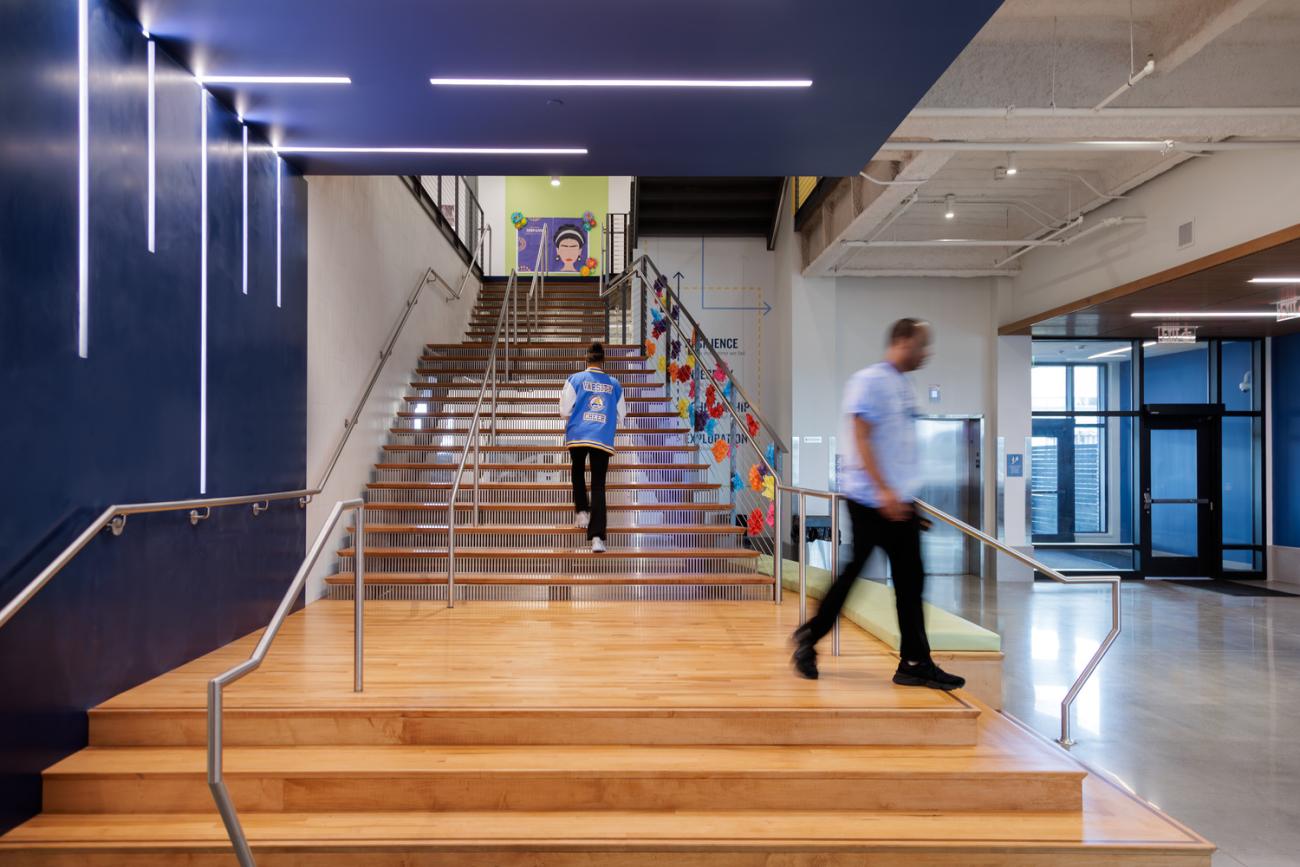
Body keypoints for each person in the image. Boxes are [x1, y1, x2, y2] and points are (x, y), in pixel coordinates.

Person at [791, 318, 966, 691]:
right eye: (921, 344)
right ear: (902, 341)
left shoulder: (902, 385)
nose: (926, 353)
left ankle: (912, 661)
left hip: (896, 502)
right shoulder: (870, 381)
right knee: (872, 576)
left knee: (907, 580)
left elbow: (896, 449)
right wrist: (885, 491)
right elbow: (862, 437)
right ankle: (815, 636)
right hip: (873, 501)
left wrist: (906, 499)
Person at [559, 342, 627, 553]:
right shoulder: (614, 384)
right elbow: (622, 415)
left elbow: (564, 410)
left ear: (586, 359)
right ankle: (597, 538)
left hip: (578, 433)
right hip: (601, 436)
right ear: (603, 361)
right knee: (598, 485)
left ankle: (581, 512)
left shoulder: (575, 379)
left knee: (577, 470)